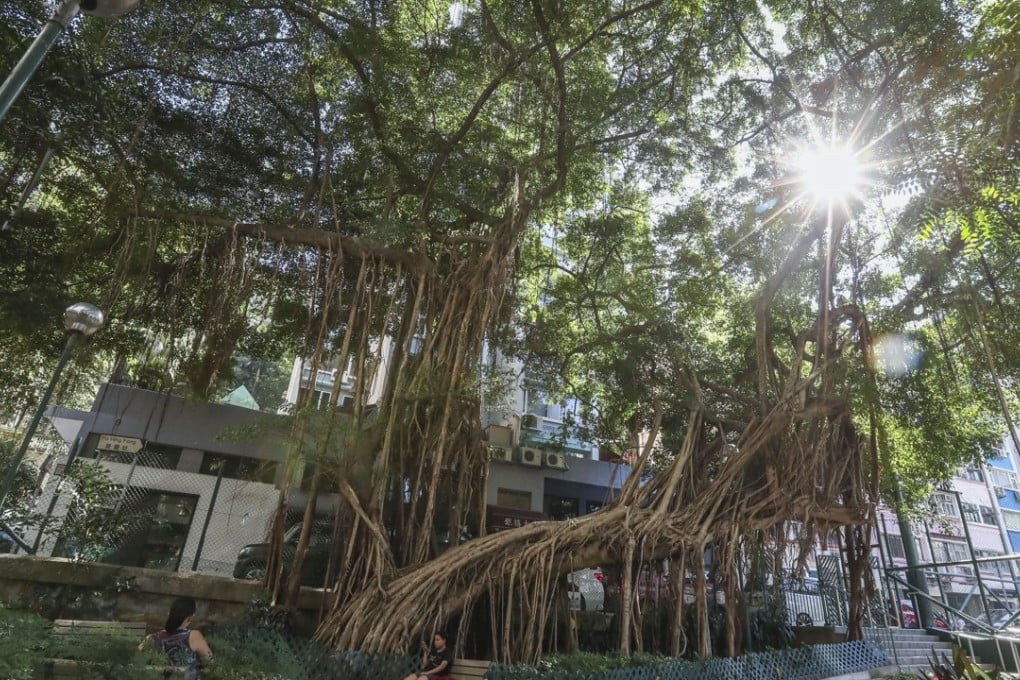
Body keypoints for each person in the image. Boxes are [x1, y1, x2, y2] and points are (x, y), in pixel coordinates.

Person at [139, 596, 213, 679]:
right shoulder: (194, 637)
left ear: (169, 614)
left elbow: (133, 662)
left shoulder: (150, 638)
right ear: (191, 617)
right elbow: (212, 665)